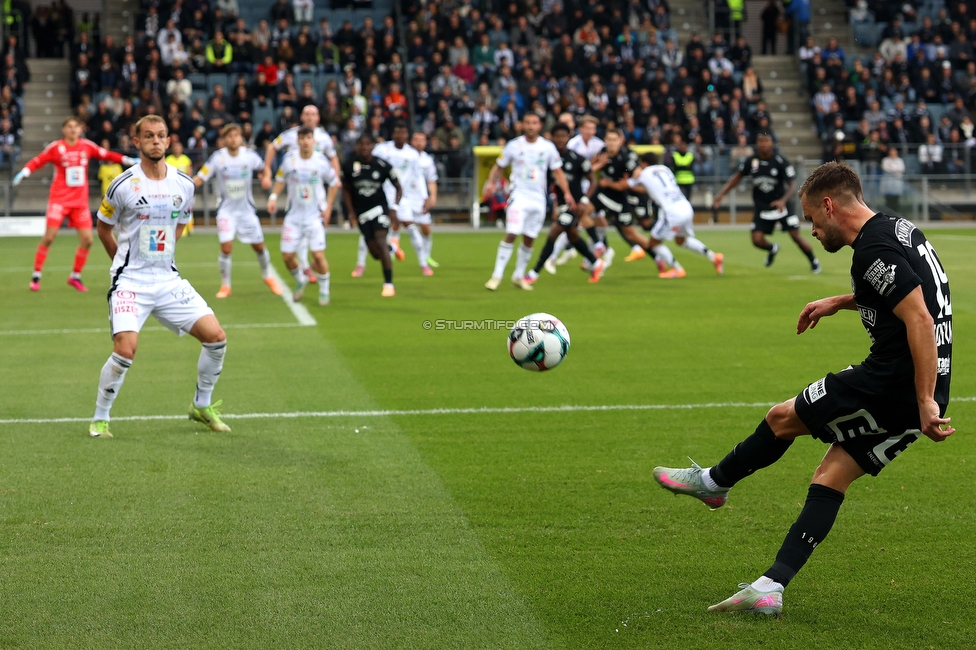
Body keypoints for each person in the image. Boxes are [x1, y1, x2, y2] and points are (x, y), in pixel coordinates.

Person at [653, 162, 953, 615]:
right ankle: (770, 588)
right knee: (831, 476)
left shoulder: (871, 249)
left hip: (892, 384)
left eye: (812, 218)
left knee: (781, 418)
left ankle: (714, 483)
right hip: (923, 385)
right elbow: (915, 291)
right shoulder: (897, 228)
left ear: (829, 205)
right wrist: (842, 300)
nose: (812, 229)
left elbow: (918, 317)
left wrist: (923, 398)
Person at [89, 115, 230, 439]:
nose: (156, 140)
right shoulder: (122, 185)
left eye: (161, 135)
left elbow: (180, 222)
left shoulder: (184, 184)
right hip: (130, 284)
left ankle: (201, 405)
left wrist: (162, 255)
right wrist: (122, 263)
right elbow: (103, 227)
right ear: (136, 142)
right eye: (149, 136)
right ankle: (100, 417)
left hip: (167, 279)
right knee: (126, 350)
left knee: (216, 337)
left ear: (168, 141)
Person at [14, 116, 137, 292]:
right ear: (64, 130)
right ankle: (36, 276)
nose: (73, 130)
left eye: (76, 127)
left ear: (80, 129)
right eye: (69, 127)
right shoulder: (56, 148)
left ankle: (75, 276)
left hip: (79, 202)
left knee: (87, 240)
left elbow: (106, 154)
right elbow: (39, 160)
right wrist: (25, 171)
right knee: (49, 237)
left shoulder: (86, 146)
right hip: (59, 199)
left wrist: (128, 160)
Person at [483, 112, 572, 291]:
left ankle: (518, 276)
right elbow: (499, 167)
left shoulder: (547, 148)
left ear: (540, 126)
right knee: (512, 233)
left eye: (534, 123)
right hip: (518, 197)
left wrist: (567, 192)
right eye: (528, 123)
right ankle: (496, 276)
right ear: (522, 125)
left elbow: (557, 172)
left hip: (538, 199)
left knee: (530, 238)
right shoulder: (513, 146)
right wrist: (491, 183)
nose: (531, 126)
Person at [195, 124, 284, 299]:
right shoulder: (218, 158)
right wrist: (186, 186)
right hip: (226, 212)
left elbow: (263, 168)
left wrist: (266, 177)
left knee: (259, 246)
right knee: (226, 247)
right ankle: (226, 286)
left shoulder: (249, 156)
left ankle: (267, 276)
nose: (233, 139)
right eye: (229, 136)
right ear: (224, 139)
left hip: (246, 211)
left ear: (241, 138)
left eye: (236, 135)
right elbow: (201, 176)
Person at [712, 131, 821, 272]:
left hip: (782, 207)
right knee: (756, 240)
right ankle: (772, 248)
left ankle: (813, 261)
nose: (763, 144)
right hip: (763, 207)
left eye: (766, 141)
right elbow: (737, 177)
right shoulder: (752, 161)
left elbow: (793, 186)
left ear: (772, 143)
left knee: (795, 236)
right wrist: (721, 194)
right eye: (761, 141)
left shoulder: (780, 161)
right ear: (757, 143)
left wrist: (782, 200)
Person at [261, 105, 343, 285]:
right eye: (306, 114)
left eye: (313, 114)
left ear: (318, 118)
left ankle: (312, 261)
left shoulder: (324, 138)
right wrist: (267, 170)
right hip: (297, 188)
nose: (310, 117)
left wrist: (336, 177)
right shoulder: (290, 135)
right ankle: (305, 266)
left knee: (317, 228)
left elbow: (333, 157)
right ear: (302, 117)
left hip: (317, 189)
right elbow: (272, 147)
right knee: (301, 225)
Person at [524, 122, 607, 285]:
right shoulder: (548, 158)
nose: (560, 139)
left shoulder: (577, 159)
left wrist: (584, 201)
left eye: (563, 136)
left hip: (575, 206)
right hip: (561, 205)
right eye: (557, 136)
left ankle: (534, 273)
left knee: (554, 232)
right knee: (573, 236)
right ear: (551, 138)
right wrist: (554, 204)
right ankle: (596, 263)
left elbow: (593, 181)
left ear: (568, 137)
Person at [629, 152, 725, 277]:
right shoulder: (665, 169)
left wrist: (633, 177)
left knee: (653, 242)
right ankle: (714, 257)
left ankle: (677, 269)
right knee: (681, 240)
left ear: (644, 163)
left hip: (672, 212)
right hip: (685, 206)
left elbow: (627, 185)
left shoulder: (644, 173)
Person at [356, 122, 431, 276]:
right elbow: (370, 162)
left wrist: (425, 197)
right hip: (381, 195)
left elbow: (419, 177)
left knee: (410, 227)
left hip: (400, 196)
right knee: (369, 228)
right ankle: (360, 264)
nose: (401, 136)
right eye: (398, 133)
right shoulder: (383, 150)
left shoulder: (412, 154)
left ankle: (423, 263)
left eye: (404, 133)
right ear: (393, 134)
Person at [342, 133, 402, 297]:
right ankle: (393, 248)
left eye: (368, 144)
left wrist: (394, 209)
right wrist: (351, 212)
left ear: (373, 146)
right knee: (376, 253)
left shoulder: (382, 165)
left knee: (381, 240)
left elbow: (398, 186)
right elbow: (345, 189)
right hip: (361, 212)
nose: (365, 147)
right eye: (361, 144)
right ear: (357, 147)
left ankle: (388, 284)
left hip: (379, 209)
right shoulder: (349, 165)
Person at [165, 139, 195, 236]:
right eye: (175, 147)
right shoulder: (168, 160)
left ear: (181, 148)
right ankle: (176, 229)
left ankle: (189, 228)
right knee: (174, 208)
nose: (177, 149)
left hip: (184, 189)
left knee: (187, 208)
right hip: (172, 189)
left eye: (179, 147)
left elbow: (189, 173)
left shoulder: (186, 159)